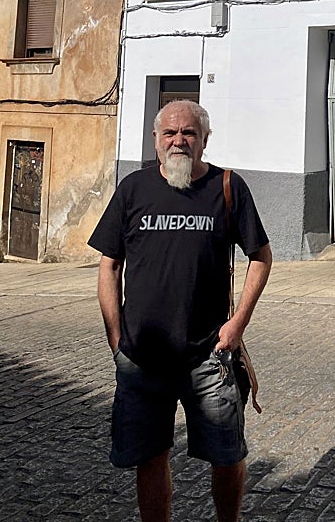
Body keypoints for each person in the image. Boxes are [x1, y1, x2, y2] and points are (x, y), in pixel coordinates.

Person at [88, 99, 272, 522]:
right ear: (155, 140)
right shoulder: (133, 189)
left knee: (226, 456)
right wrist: (116, 338)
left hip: (209, 355)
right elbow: (109, 264)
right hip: (142, 359)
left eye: (188, 133)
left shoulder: (228, 187)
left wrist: (237, 324)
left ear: (204, 140)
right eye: (169, 133)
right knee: (150, 457)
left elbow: (260, 257)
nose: (179, 141)